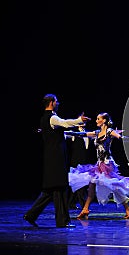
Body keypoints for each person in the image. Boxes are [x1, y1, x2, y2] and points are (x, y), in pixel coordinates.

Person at [23, 94, 90, 228]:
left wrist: (84, 132)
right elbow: (64, 123)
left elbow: (64, 132)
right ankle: (62, 221)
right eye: (57, 101)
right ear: (52, 102)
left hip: (51, 158)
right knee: (60, 188)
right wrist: (78, 120)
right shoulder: (52, 117)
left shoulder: (45, 119)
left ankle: (31, 215)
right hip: (56, 159)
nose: (58, 103)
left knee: (52, 190)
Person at [67, 112, 129, 220]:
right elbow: (82, 134)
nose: (96, 121)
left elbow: (121, 138)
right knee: (92, 185)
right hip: (99, 164)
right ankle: (85, 209)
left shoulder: (109, 131)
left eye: (98, 119)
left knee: (114, 187)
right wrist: (64, 132)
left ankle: (127, 207)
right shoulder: (97, 132)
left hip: (107, 164)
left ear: (104, 120)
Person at [65, 123, 95, 210]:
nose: (83, 124)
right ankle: (83, 205)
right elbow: (65, 133)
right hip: (76, 163)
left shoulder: (88, 134)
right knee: (78, 184)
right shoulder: (74, 134)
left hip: (85, 163)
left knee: (79, 183)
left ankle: (71, 203)